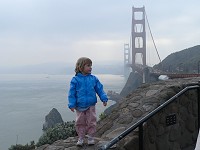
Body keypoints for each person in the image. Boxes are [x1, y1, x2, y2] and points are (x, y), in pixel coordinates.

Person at [68, 57, 108, 146]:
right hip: (79, 106)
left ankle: (91, 137)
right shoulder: (75, 80)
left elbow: (100, 89)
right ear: (81, 67)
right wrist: (71, 104)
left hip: (91, 105)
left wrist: (104, 98)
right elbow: (72, 93)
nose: (90, 67)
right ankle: (81, 138)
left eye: (91, 66)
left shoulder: (93, 79)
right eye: (88, 65)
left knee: (91, 121)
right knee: (80, 122)